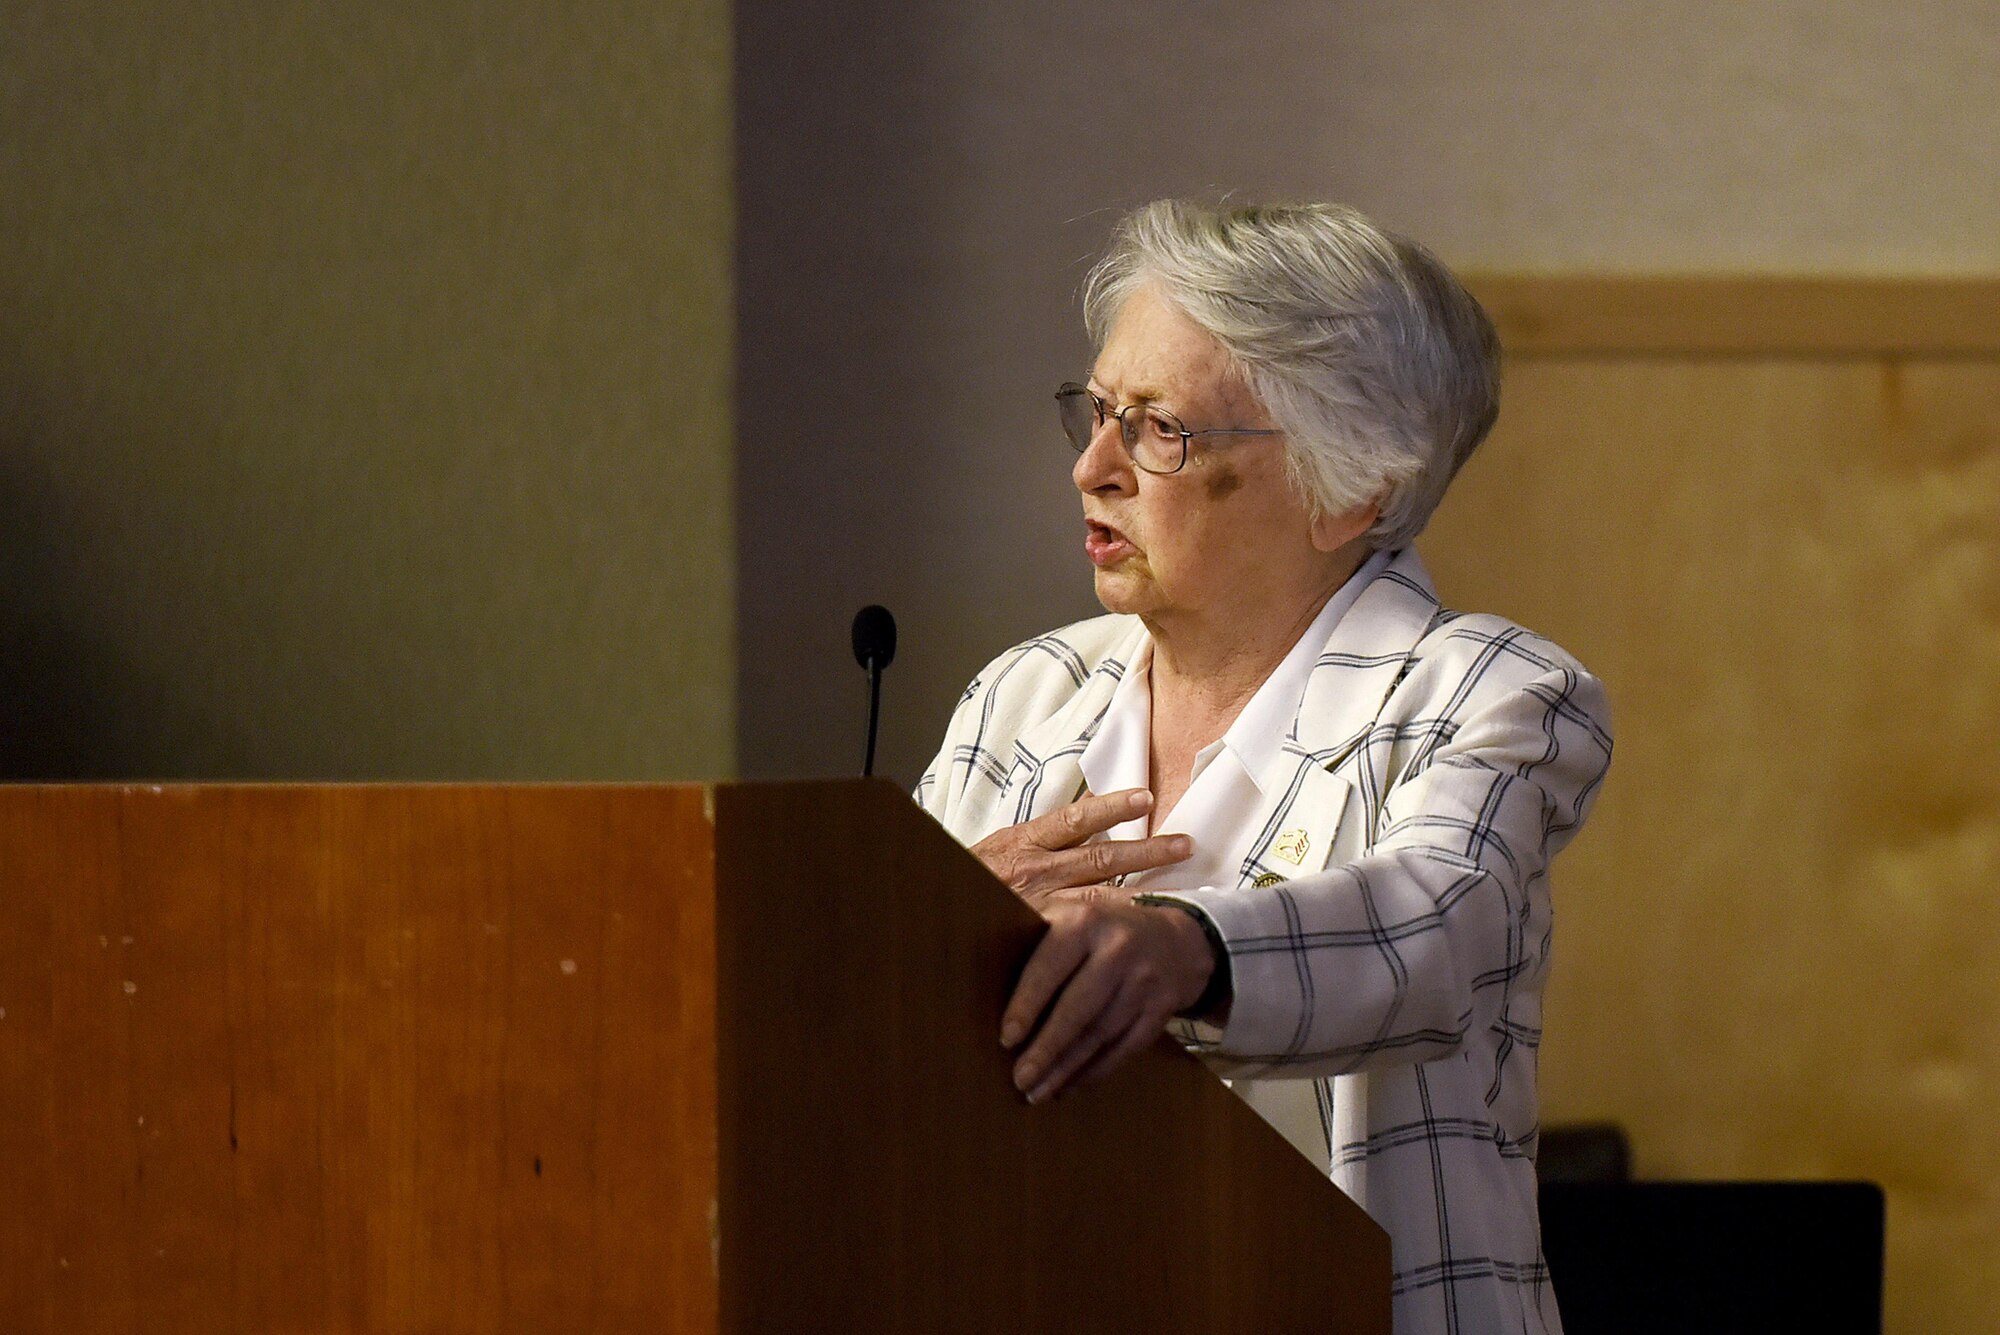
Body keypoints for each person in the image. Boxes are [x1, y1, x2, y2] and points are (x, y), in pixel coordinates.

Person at [916, 199, 1613, 1334]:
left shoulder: (1488, 690)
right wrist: (936, 929)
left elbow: (1426, 937)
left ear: (1351, 491)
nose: (1092, 468)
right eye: (1095, 414)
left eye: (1158, 430)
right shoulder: (1020, 696)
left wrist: (1179, 951)